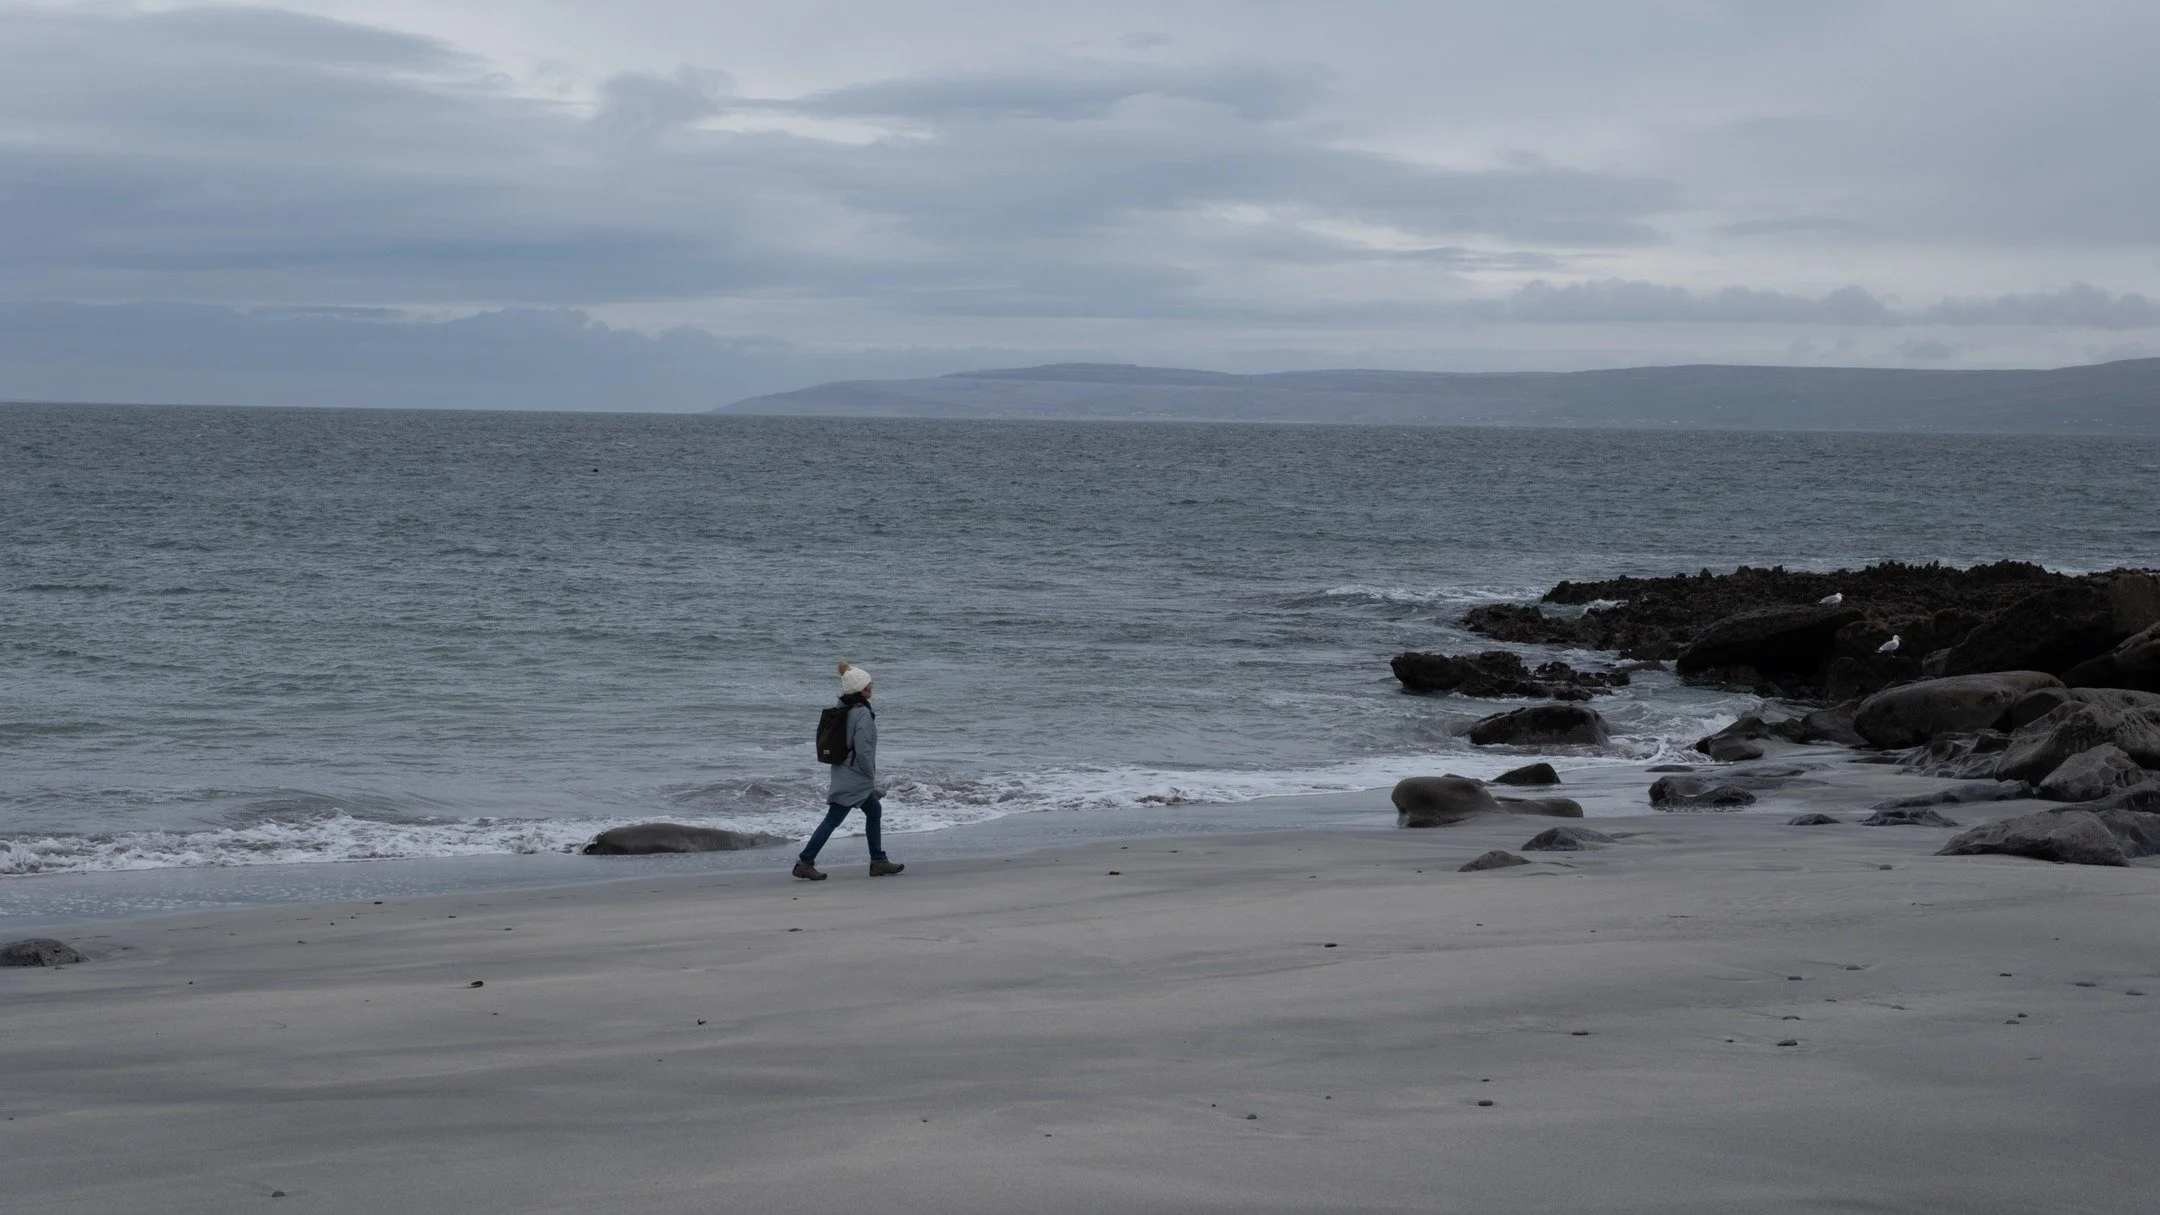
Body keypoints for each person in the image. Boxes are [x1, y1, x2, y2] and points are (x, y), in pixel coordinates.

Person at [794, 662, 904, 880]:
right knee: (833, 819)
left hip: (843, 771)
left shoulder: (843, 708)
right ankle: (805, 862)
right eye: (867, 685)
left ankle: (878, 861)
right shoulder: (862, 713)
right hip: (855, 776)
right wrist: (869, 774)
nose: (871, 688)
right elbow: (863, 749)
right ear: (858, 690)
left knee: (873, 811)